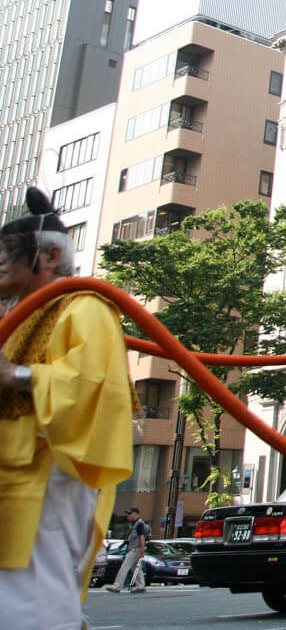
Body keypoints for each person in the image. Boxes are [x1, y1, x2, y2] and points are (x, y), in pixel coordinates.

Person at [0, 187, 134, 630]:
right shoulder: (15, 316)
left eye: (9, 251)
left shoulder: (84, 305)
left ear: (50, 255)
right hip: (11, 473)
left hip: (48, 472)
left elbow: (93, 384)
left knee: (34, 599)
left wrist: (18, 376)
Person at [108, 506, 150, 593]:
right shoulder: (135, 524)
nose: (128, 516)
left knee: (125, 566)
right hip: (135, 549)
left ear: (136, 514)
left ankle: (117, 586)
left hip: (136, 549)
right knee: (135, 568)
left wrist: (142, 551)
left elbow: (142, 538)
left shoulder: (139, 524)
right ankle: (140, 585)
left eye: (130, 514)